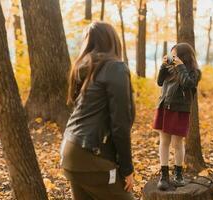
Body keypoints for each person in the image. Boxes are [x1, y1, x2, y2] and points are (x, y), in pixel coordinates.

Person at [60, 21, 135, 200]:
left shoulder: (83, 67)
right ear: (113, 41)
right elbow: (120, 125)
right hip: (91, 155)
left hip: (70, 151)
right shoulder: (115, 68)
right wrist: (127, 168)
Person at [152, 43, 201, 190]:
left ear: (183, 56)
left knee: (178, 143)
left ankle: (178, 174)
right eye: (171, 55)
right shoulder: (169, 68)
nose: (172, 58)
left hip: (180, 110)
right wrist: (162, 66)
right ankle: (164, 175)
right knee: (164, 141)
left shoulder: (195, 72)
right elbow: (160, 82)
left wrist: (180, 67)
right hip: (164, 107)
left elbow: (187, 84)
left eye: (175, 55)